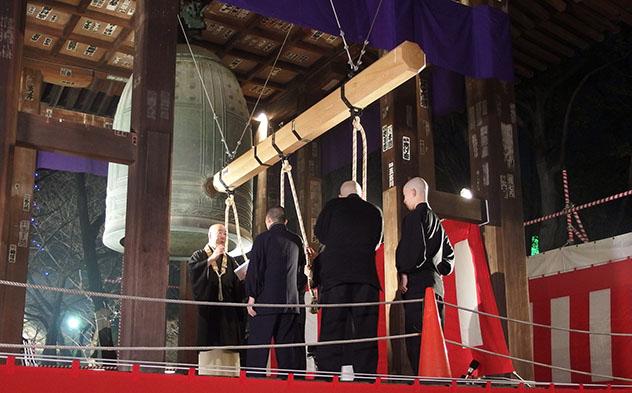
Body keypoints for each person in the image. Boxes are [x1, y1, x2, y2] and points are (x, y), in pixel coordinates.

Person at [313, 180, 383, 376]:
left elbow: (321, 234)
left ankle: (329, 375)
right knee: (365, 330)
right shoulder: (374, 211)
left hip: (336, 277)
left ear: (341, 195)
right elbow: (376, 242)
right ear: (360, 193)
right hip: (365, 277)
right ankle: (366, 376)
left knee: (332, 328)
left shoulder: (333, 206)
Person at [396, 177, 455, 375]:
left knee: (416, 338)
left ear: (413, 192)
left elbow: (412, 250)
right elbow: (449, 255)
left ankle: (421, 379)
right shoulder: (438, 221)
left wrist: (404, 271)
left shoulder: (413, 218)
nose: (404, 201)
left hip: (418, 284)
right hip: (436, 285)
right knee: (436, 335)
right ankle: (437, 378)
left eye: (405, 196)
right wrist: (439, 267)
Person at [245, 206, 306, 375]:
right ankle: (288, 385)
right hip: (290, 305)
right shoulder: (297, 240)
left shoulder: (262, 239)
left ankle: (255, 384)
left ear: (268, 221)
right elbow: (301, 272)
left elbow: (255, 270)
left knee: (258, 350)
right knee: (287, 352)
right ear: (285, 221)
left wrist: (251, 296)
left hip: (266, 302)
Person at [188, 224, 246, 370]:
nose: (223, 237)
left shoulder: (231, 261)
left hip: (228, 314)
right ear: (210, 236)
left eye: (225, 234)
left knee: (230, 355)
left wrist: (245, 278)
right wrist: (212, 258)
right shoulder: (199, 255)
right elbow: (194, 273)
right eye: (220, 233)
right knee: (209, 352)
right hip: (209, 312)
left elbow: (238, 288)